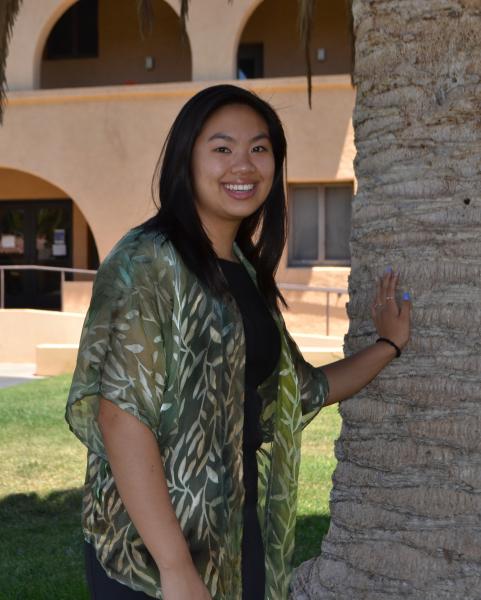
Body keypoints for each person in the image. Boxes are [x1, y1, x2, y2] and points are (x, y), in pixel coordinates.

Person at [65, 84, 411, 600]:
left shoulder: (245, 270)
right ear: (186, 159)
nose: (243, 165)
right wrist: (176, 567)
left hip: (232, 529)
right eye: (222, 148)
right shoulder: (148, 262)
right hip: (150, 548)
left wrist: (389, 345)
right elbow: (121, 416)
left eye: (259, 148)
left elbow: (302, 388)